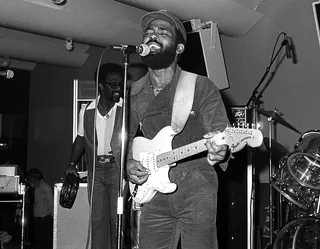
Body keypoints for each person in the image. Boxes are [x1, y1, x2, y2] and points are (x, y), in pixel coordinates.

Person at [126, 10, 231, 249]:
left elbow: (220, 131)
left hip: (196, 182)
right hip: (153, 187)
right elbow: (119, 139)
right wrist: (126, 164)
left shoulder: (201, 85)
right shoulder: (133, 91)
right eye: (149, 33)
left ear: (179, 48)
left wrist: (219, 150)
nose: (153, 35)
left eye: (163, 32)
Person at [65, 63, 126, 249]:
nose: (118, 88)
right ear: (101, 86)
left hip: (118, 170)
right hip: (96, 172)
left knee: (118, 219)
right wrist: (71, 164)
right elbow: (80, 139)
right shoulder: (87, 111)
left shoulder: (126, 109)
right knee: (97, 220)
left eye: (120, 83)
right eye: (113, 84)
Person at [26, 168, 53, 249]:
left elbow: (51, 202)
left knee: (45, 242)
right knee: (37, 241)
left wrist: (53, 218)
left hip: (45, 219)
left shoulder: (45, 187)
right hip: (37, 219)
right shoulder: (34, 187)